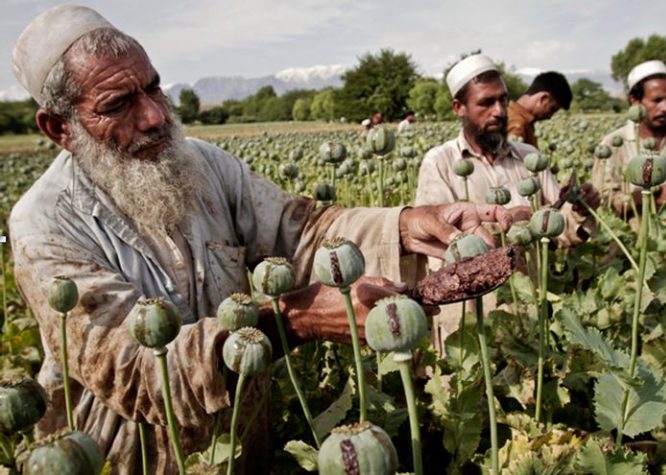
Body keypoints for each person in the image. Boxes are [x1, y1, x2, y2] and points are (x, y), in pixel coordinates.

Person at [9, 6, 513, 474]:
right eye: (118, 104)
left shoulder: (203, 164)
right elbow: (137, 371)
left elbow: (303, 231)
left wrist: (406, 224)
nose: (155, 116)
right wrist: (293, 320)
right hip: (130, 457)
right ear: (60, 128)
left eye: (154, 88)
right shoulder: (44, 223)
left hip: (244, 440)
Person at [414, 54, 598, 350]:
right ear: (459, 108)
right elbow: (435, 241)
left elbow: (558, 230)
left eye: (503, 100)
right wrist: (509, 221)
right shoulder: (440, 162)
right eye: (486, 103)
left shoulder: (529, 158)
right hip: (469, 325)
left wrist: (577, 209)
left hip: (527, 315)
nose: (499, 111)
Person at [592, 60, 666, 215]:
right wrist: (651, 196)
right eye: (657, 100)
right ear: (634, 101)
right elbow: (601, 202)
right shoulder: (612, 144)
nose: (665, 107)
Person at [507, 71, 572, 147]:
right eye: (552, 109)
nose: (549, 117)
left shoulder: (509, 113)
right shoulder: (518, 126)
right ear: (543, 98)